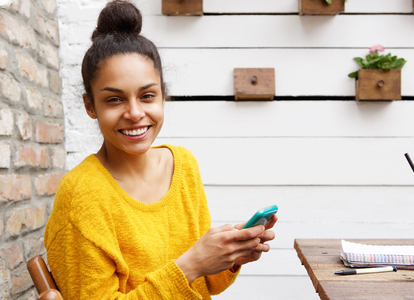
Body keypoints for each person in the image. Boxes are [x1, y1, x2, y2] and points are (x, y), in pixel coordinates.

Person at [44, 1, 277, 299]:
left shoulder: (183, 165)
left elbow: (207, 285)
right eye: (114, 100)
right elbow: (187, 273)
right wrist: (190, 266)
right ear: (90, 106)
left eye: (147, 96)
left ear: (163, 96)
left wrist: (229, 258)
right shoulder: (81, 195)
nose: (134, 113)